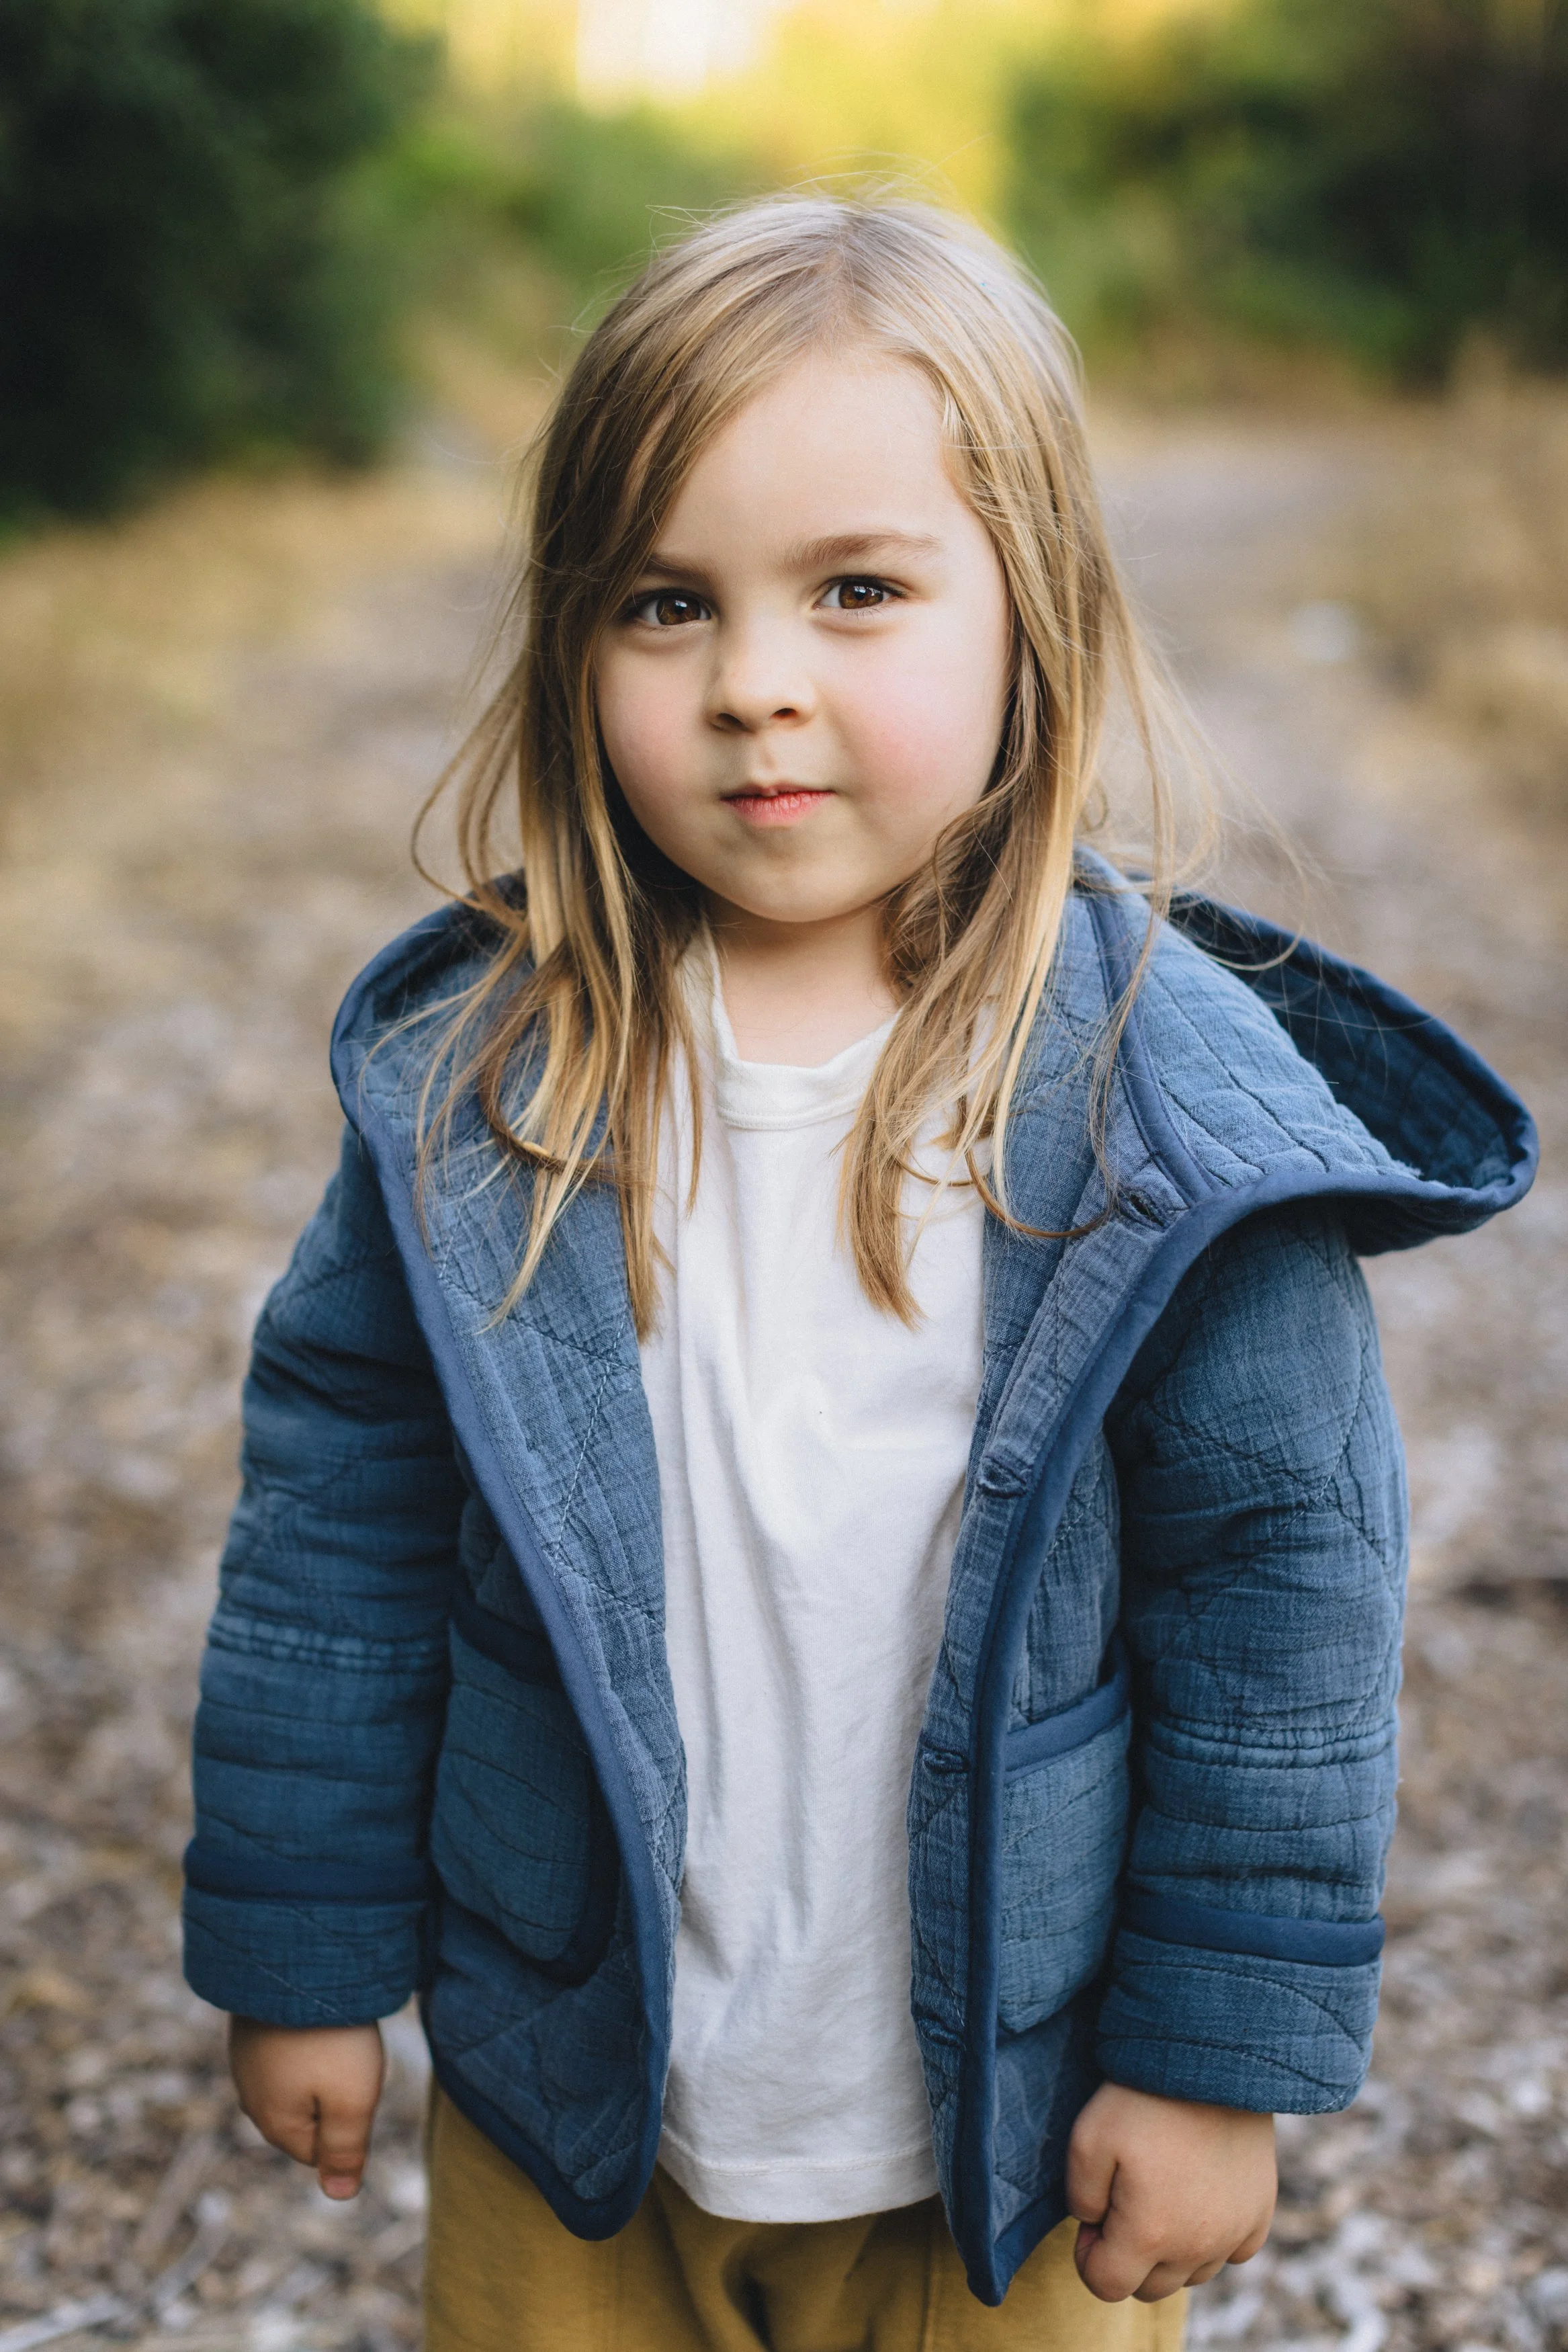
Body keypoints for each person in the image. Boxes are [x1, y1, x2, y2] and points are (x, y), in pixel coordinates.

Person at [181, 197, 1535, 2351]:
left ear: (1034, 620)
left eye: (856, 592)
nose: (753, 686)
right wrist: (303, 1944)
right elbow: (330, 1535)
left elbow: (1286, 1599)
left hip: (1017, 2121)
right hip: (573, 2091)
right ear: (570, 642)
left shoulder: (1158, 1114)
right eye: (663, 603)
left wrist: (1210, 2060)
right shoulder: (487, 1089)